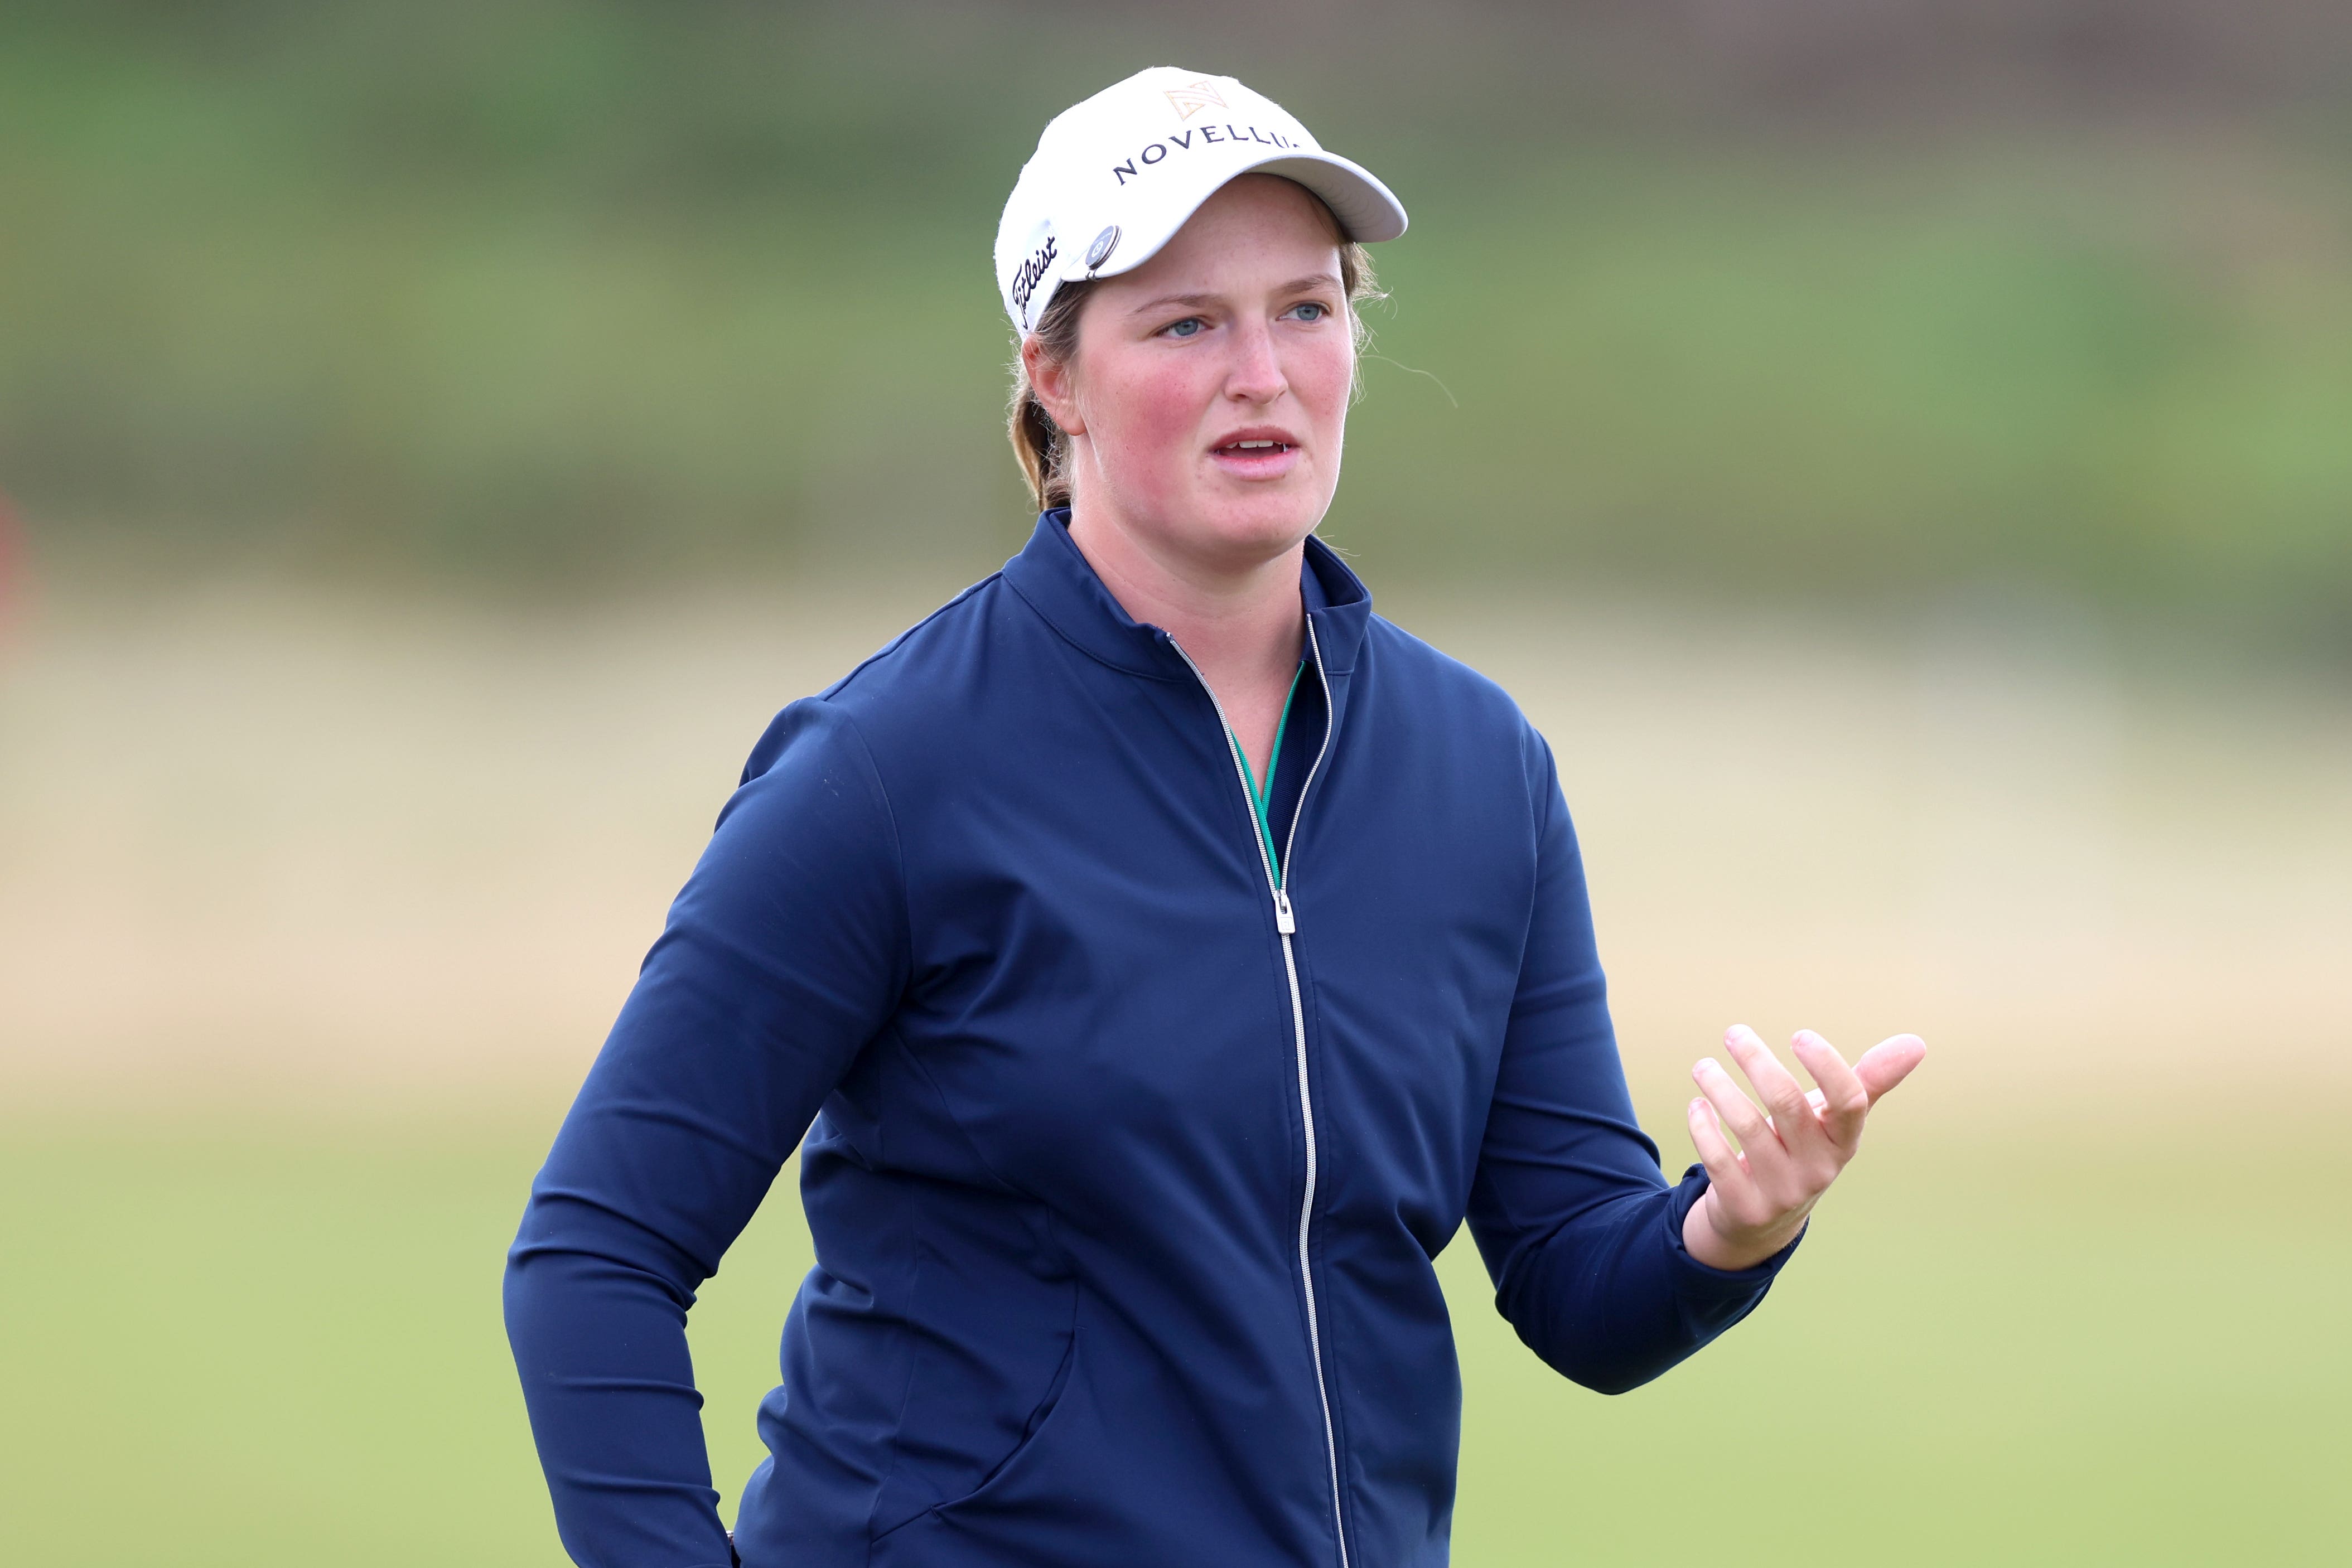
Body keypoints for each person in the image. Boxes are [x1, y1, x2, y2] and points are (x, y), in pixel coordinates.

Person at [503, 65, 1925, 1568]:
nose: (1263, 370)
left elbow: (1581, 1284)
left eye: (1306, 309)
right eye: (1186, 323)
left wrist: (1731, 1225)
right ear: (1052, 375)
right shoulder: (884, 771)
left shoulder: (1476, 766)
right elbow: (596, 1252)